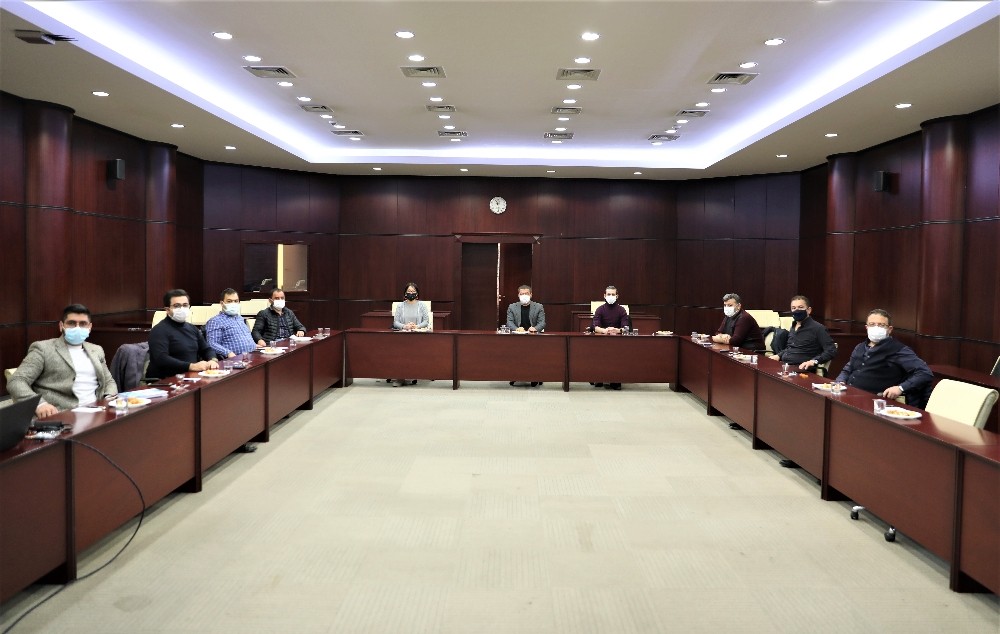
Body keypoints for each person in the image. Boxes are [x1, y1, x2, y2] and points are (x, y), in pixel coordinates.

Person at [8, 304, 118, 418]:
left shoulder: (96, 350)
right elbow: (16, 381)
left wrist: (108, 398)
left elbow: (108, 381)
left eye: (83, 324)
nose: (77, 328)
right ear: (61, 326)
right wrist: (40, 404)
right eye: (71, 323)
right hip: (61, 415)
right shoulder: (43, 349)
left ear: (89, 327)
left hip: (97, 412)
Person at [834, 308, 933, 409]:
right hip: (849, 398)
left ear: (889, 329)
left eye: (881, 325)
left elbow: (925, 372)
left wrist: (900, 388)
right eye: (872, 324)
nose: (876, 327)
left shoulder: (899, 350)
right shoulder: (860, 347)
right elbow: (848, 369)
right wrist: (840, 382)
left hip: (875, 404)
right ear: (866, 327)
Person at [146, 289, 219, 379]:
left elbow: (206, 349)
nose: (182, 309)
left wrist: (212, 360)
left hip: (191, 377)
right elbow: (161, 358)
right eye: (177, 306)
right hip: (166, 380)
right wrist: (191, 366)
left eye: (185, 305)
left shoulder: (192, 328)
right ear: (167, 309)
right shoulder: (159, 330)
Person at [775, 295, 837, 372]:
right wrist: (778, 355)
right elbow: (791, 348)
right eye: (793, 308)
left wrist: (814, 361)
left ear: (809, 310)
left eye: (800, 307)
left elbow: (831, 350)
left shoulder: (818, 328)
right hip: (785, 366)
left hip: (802, 369)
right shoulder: (793, 326)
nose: (796, 310)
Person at [506, 285, 546, 387]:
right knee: (515, 354)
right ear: (518, 295)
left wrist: (535, 328)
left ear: (531, 295)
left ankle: (534, 376)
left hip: (533, 337)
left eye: (526, 294)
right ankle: (516, 375)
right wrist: (516, 329)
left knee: (534, 355)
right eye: (522, 294)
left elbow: (542, 323)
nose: (524, 295)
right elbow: (509, 322)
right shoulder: (512, 307)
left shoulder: (539, 306)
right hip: (517, 337)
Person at [591, 285, 629, 390]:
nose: (611, 296)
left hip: (617, 342)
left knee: (617, 353)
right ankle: (599, 377)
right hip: (601, 341)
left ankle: (615, 380)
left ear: (617, 296)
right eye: (609, 294)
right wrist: (604, 331)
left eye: (613, 294)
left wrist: (618, 330)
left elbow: (626, 328)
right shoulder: (600, 309)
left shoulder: (622, 310)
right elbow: (595, 327)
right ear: (604, 295)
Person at [205, 288, 258, 358]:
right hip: (235, 359)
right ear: (222, 303)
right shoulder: (215, 321)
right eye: (229, 301)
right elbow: (212, 344)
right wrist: (228, 353)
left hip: (253, 355)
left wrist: (254, 345)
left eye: (236, 301)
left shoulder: (240, 318)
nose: (233, 304)